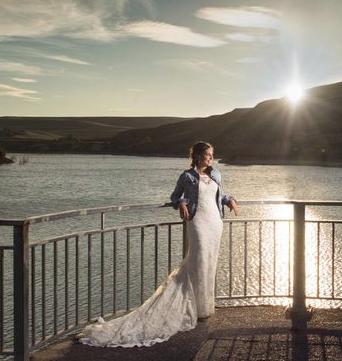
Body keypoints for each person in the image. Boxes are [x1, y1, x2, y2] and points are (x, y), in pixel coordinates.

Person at [79, 141, 238, 347]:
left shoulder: (216, 174)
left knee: (209, 263)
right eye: (207, 154)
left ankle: (204, 308)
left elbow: (220, 195)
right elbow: (175, 196)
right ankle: (188, 307)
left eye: (211, 154)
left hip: (215, 222)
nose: (210, 158)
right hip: (198, 221)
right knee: (198, 261)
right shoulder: (187, 176)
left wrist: (230, 200)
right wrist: (181, 203)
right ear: (197, 156)